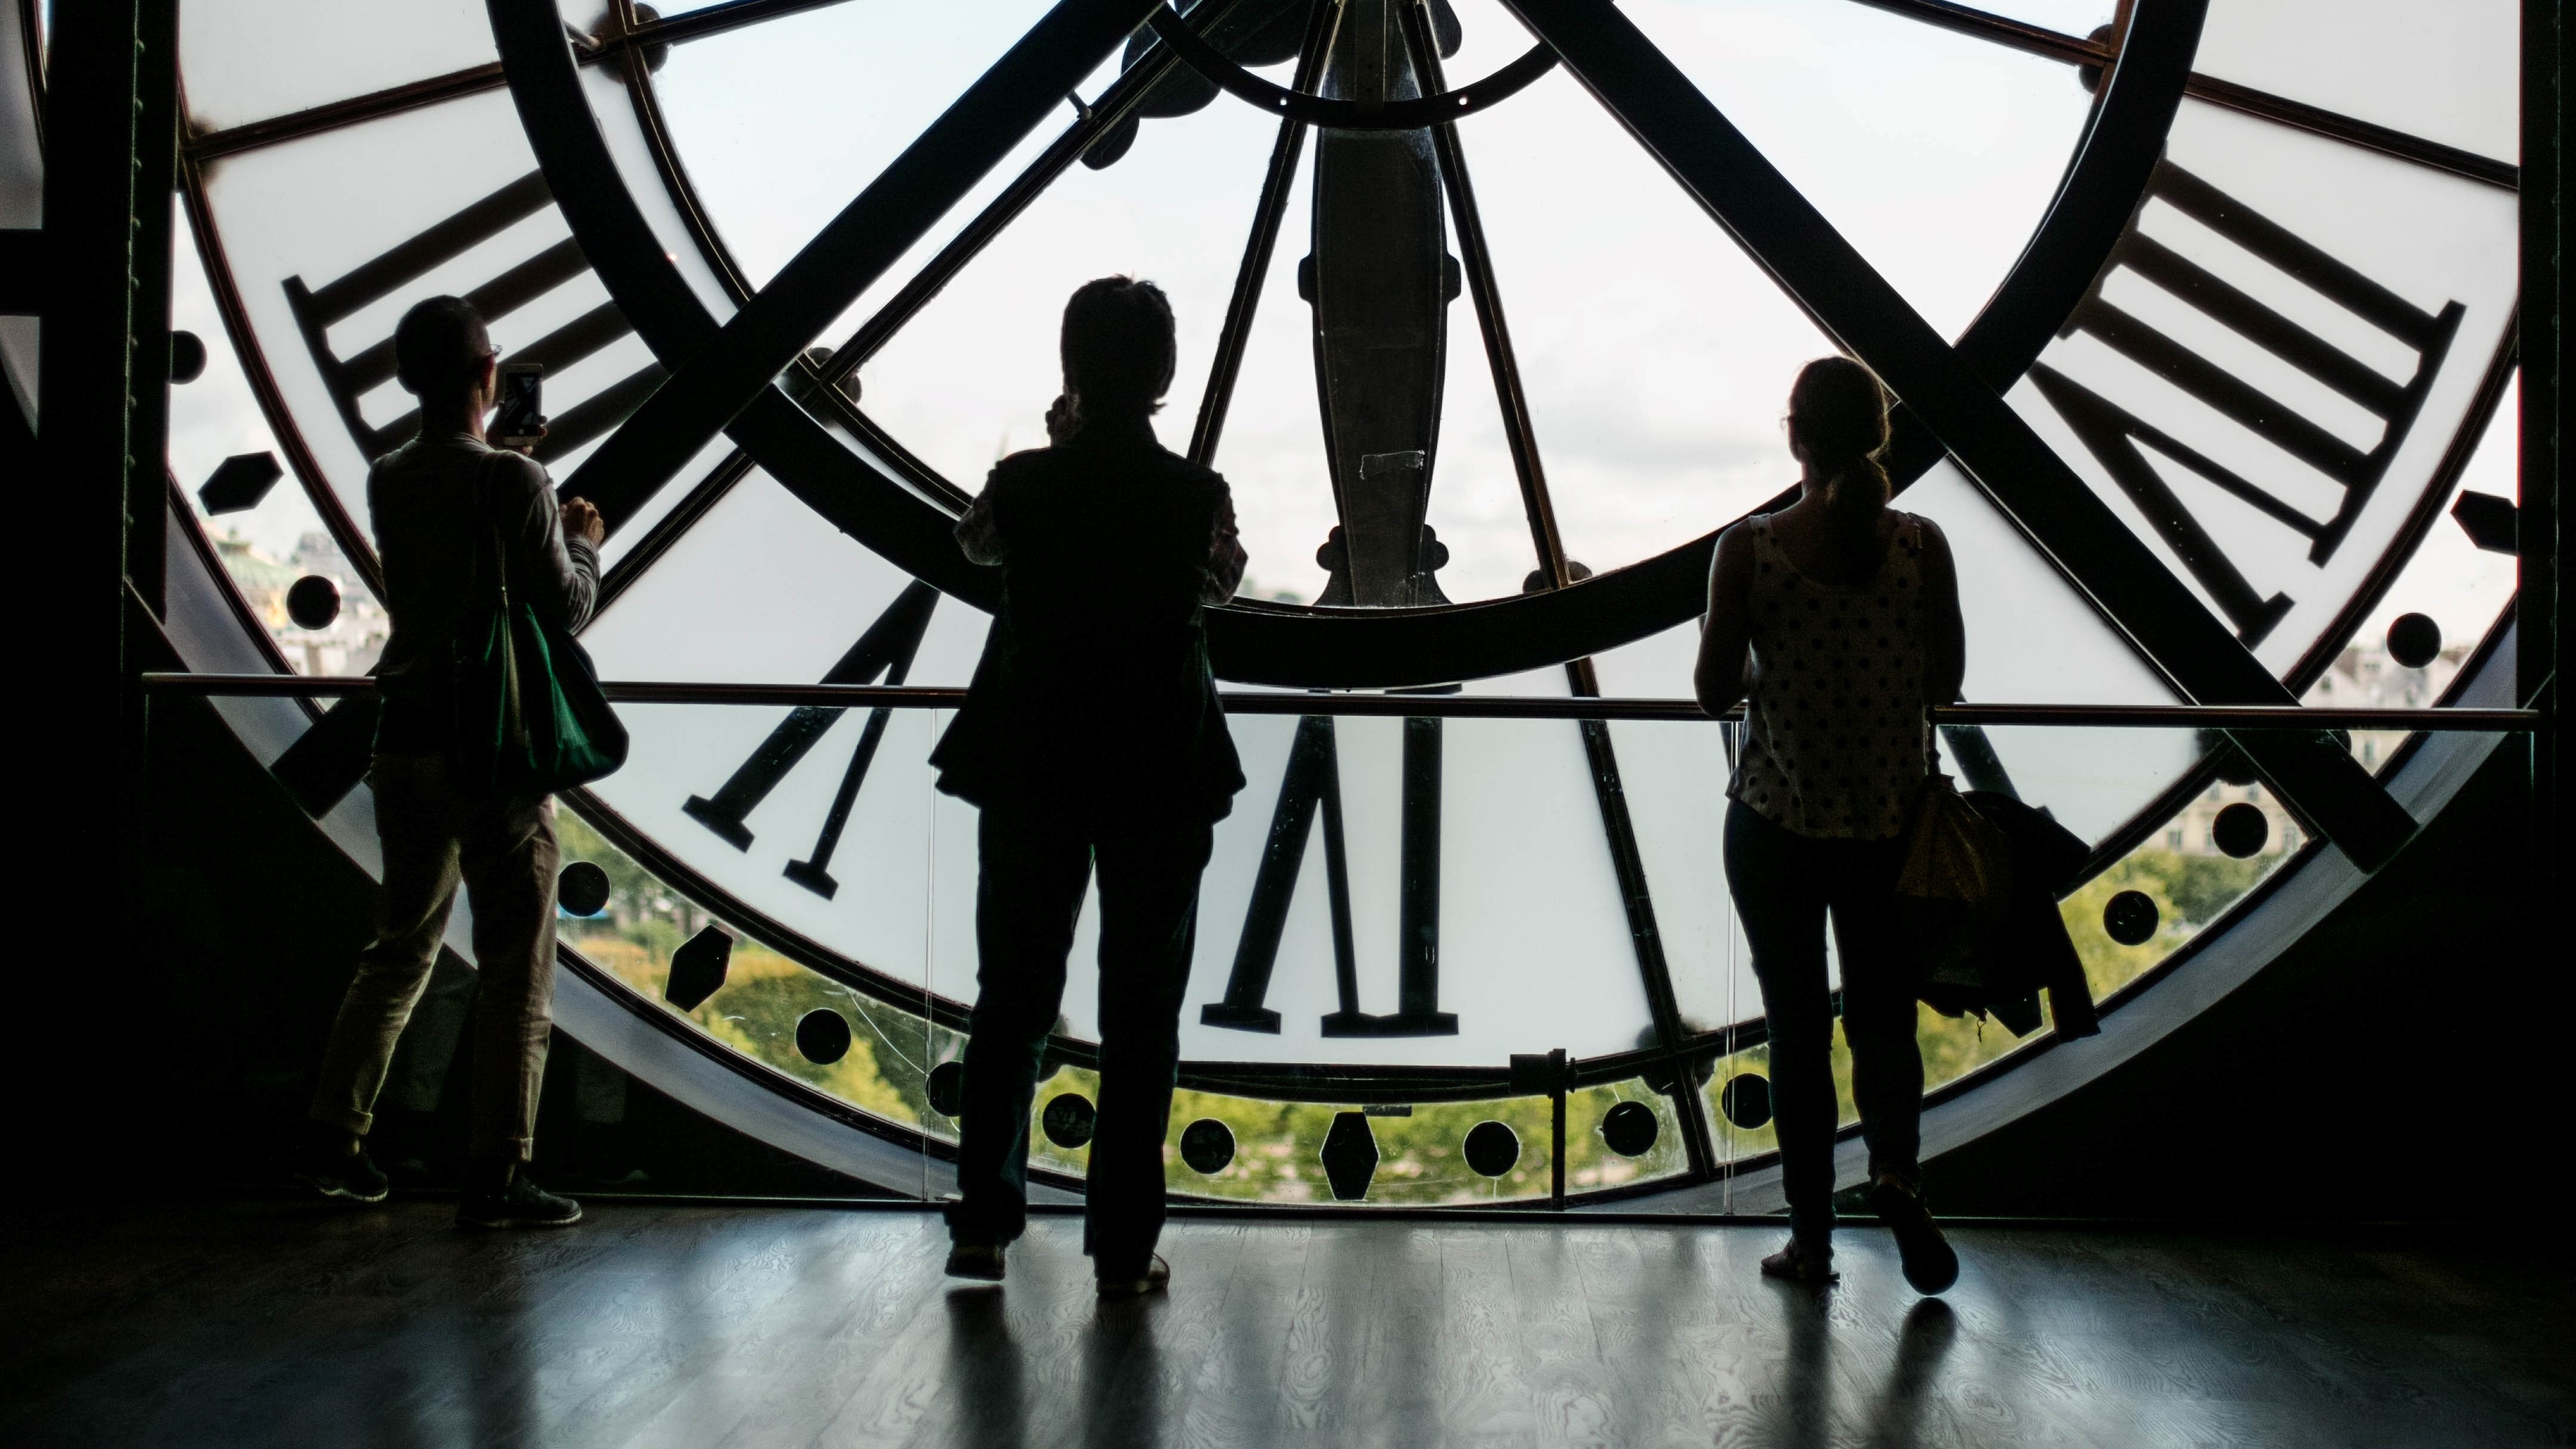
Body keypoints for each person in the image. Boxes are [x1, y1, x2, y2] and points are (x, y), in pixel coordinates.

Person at [930, 276, 1247, 1298]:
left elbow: (975, 544)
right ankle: (1121, 1240)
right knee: (1142, 1017)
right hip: (1158, 765)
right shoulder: (1195, 497)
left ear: (1070, 368)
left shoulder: (1023, 485)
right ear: (1164, 376)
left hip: (1032, 758)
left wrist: (1053, 450)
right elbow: (1219, 582)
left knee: (1012, 999)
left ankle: (984, 1221)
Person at [295, 295, 605, 1230]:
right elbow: (564, 606)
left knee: (401, 948)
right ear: (488, 377)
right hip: (492, 748)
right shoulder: (517, 487)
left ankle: (337, 1139)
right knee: (517, 966)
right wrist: (582, 536)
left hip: (404, 735)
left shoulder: (388, 475)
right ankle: (499, 1167)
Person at [1694, 356, 1967, 1293]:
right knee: (1885, 1022)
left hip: (1776, 822)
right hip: (1891, 826)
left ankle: (1810, 1239)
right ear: (1880, 436)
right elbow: (1945, 685)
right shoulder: (1921, 547)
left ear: (1794, 436)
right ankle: (1895, 1171)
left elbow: (1712, 692)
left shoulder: (1753, 549)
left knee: (1796, 1031)